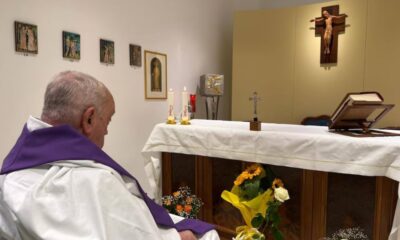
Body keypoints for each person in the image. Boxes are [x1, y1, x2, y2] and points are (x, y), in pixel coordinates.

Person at [0, 71, 218, 240]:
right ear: (89, 119)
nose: (106, 131)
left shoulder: (10, 174)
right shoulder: (96, 181)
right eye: (108, 120)